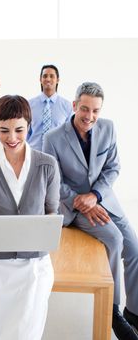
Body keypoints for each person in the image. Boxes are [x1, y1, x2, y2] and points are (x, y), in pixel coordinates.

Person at [43, 82, 138, 340]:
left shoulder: (108, 128)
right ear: (74, 106)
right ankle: (113, 311)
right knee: (115, 239)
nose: (90, 116)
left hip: (103, 199)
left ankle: (134, 311)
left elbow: (113, 168)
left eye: (95, 111)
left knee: (134, 248)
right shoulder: (52, 138)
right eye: (84, 109)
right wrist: (80, 201)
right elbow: (53, 181)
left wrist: (95, 195)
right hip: (74, 207)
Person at [0, 95, 60, 340]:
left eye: (19, 130)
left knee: (26, 332)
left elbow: (52, 212)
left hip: (34, 266)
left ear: (29, 127)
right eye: (4, 131)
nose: (12, 138)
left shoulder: (47, 165)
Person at [27, 64, 72, 151]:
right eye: (45, 76)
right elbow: (25, 132)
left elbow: (70, 134)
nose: (48, 79)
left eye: (52, 76)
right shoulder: (29, 104)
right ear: (40, 79)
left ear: (57, 80)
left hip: (57, 154)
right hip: (33, 153)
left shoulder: (67, 106)